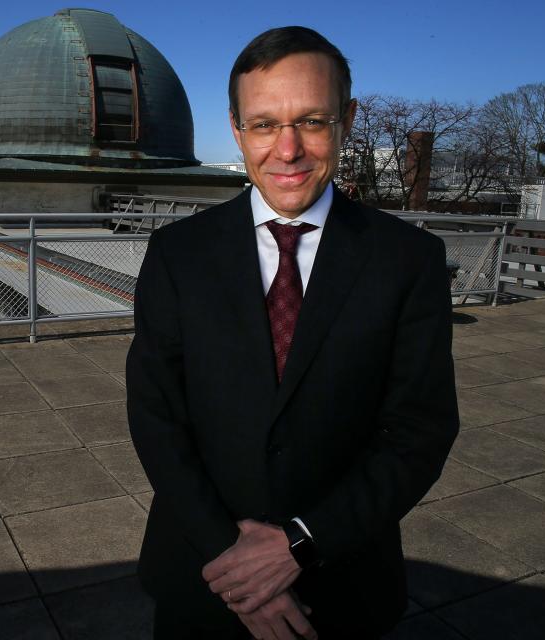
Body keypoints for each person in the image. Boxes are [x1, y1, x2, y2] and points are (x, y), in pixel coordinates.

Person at [125, 26, 459, 640]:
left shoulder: (408, 260)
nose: (288, 149)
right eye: (263, 124)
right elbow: (156, 416)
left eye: (311, 120)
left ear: (347, 120)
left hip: (345, 584)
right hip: (203, 579)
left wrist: (300, 545)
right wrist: (235, 563)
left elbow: (419, 430)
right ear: (236, 129)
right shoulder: (178, 253)